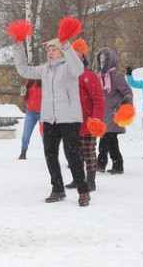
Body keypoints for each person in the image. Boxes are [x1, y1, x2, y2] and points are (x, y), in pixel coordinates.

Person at [14, 38, 91, 206]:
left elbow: (79, 69)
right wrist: (18, 46)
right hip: (49, 118)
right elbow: (24, 70)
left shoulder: (70, 67)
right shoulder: (44, 70)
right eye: (48, 50)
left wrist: (65, 44)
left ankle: (83, 190)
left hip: (69, 118)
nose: (50, 52)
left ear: (62, 51)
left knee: (72, 155)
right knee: (50, 154)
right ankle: (57, 188)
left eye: (54, 49)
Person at [65, 52, 105, 191]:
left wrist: (96, 119)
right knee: (75, 153)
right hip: (72, 122)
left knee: (88, 152)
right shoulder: (67, 77)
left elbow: (98, 99)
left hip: (88, 122)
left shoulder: (89, 76)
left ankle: (90, 181)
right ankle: (78, 179)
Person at [95, 48, 133, 174]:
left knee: (106, 141)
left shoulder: (116, 75)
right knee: (111, 142)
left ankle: (101, 164)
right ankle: (117, 165)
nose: (101, 62)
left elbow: (127, 91)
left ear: (109, 61)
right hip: (103, 114)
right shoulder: (100, 76)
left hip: (113, 113)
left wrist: (125, 103)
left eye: (103, 59)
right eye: (100, 60)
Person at [18, 79, 42, 160]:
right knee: (26, 134)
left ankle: (49, 153)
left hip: (43, 112)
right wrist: (22, 94)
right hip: (31, 112)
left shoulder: (44, 81)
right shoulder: (29, 82)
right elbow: (22, 99)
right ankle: (23, 152)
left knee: (44, 135)